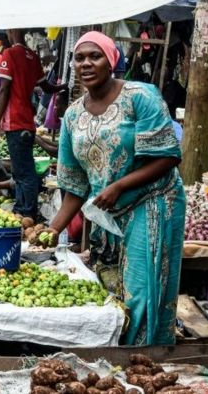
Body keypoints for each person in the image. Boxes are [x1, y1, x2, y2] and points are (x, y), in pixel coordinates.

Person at [44, 31, 185, 346]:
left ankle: (145, 355)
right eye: (79, 58)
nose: (86, 63)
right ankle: (116, 351)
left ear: (111, 60)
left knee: (141, 287)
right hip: (108, 212)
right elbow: (75, 185)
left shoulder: (140, 97)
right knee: (110, 284)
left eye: (94, 56)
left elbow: (168, 156)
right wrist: (53, 230)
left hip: (152, 201)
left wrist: (119, 186)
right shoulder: (72, 116)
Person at [0, 28, 65, 220]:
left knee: (24, 171)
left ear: (11, 31)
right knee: (23, 168)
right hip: (27, 121)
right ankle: (22, 207)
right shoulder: (31, 56)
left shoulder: (10, 54)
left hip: (14, 121)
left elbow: (4, 90)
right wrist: (63, 87)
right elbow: (46, 86)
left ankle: (27, 211)